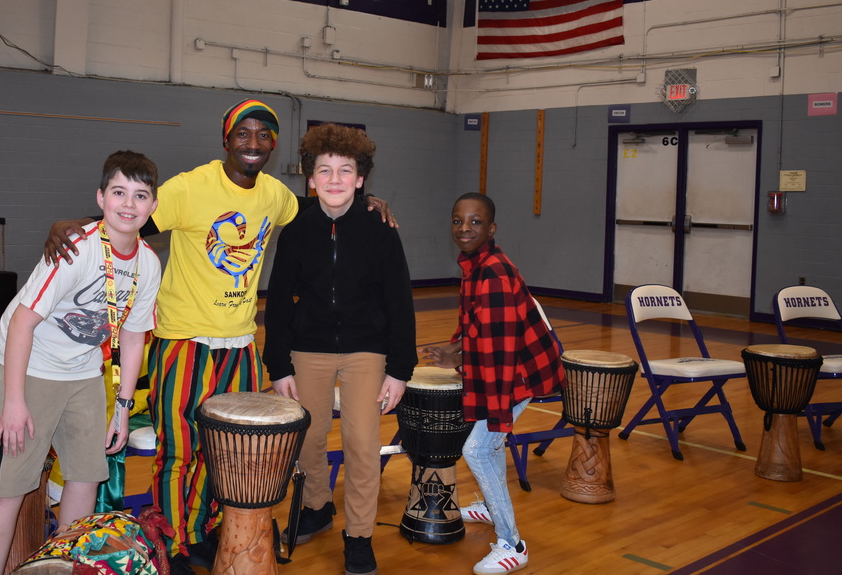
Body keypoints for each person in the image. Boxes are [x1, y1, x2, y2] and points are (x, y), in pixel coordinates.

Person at [41, 100, 396, 575]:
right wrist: (76, 226)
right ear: (226, 139)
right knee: (179, 452)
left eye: (263, 135)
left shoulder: (275, 195)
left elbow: (323, 204)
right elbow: (128, 216)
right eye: (243, 133)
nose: (253, 143)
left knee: (224, 453)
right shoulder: (191, 187)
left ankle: (205, 531)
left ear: (273, 145)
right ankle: (173, 543)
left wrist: (369, 201)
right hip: (186, 340)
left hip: (241, 346)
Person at [0, 150, 162, 575]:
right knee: (9, 485)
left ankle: (64, 566)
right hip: (31, 365)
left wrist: (123, 407)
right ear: (100, 198)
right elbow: (22, 323)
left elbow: (133, 336)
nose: (128, 204)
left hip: (84, 370)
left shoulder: (148, 264)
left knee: (85, 475)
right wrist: (14, 402)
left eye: (140, 196)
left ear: (153, 206)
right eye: (118, 192)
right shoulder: (77, 248)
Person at [263, 123, 416, 575]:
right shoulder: (296, 230)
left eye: (345, 170)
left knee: (362, 444)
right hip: (307, 350)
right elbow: (279, 300)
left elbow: (400, 301)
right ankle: (317, 507)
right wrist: (278, 365)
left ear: (360, 178)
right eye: (324, 170)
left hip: (366, 351)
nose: (334, 179)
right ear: (310, 178)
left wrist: (400, 369)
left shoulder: (380, 229)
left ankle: (360, 536)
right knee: (307, 438)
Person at [420, 192, 564, 575]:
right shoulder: (475, 264)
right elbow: (476, 324)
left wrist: (458, 359)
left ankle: (512, 545)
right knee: (490, 444)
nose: (464, 228)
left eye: (475, 222)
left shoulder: (494, 272)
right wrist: (455, 349)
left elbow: (498, 348)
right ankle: (490, 504)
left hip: (518, 372)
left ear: (492, 228)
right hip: (511, 366)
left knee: (478, 450)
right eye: (458, 221)